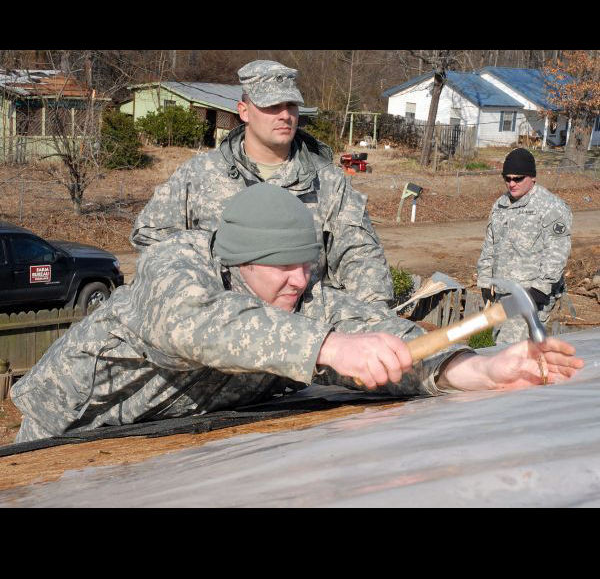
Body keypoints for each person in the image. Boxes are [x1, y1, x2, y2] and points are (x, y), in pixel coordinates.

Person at [12, 184, 583, 443]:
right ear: (241, 261)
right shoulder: (178, 267)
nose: (300, 280)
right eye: (283, 267)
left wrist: (475, 368)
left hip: (160, 444)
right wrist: (328, 348)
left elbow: (379, 334)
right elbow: (192, 324)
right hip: (62, 434)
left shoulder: (299, 295)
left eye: (308, 265)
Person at [130, 59, 394, 309]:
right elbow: (154, 243)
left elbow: (362, 259)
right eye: (272, 106)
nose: (285, 115)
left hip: (304, 329)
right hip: (218, 328)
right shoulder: (200, 174)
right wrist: (194, 297)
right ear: (244, 111)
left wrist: (370, 320)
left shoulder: (328, 182)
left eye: (291, 105)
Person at [477, 148, 572, 346]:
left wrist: (540, 290)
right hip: (503, 292)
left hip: (531, 295)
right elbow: (490, 244)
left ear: (532, 177)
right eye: (507, 178)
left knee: (509, 349)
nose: (512, 183)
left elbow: (557, 252)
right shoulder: (501, 205)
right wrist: (485, 280)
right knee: (505, 345)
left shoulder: (550, 207)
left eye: (518, 178)